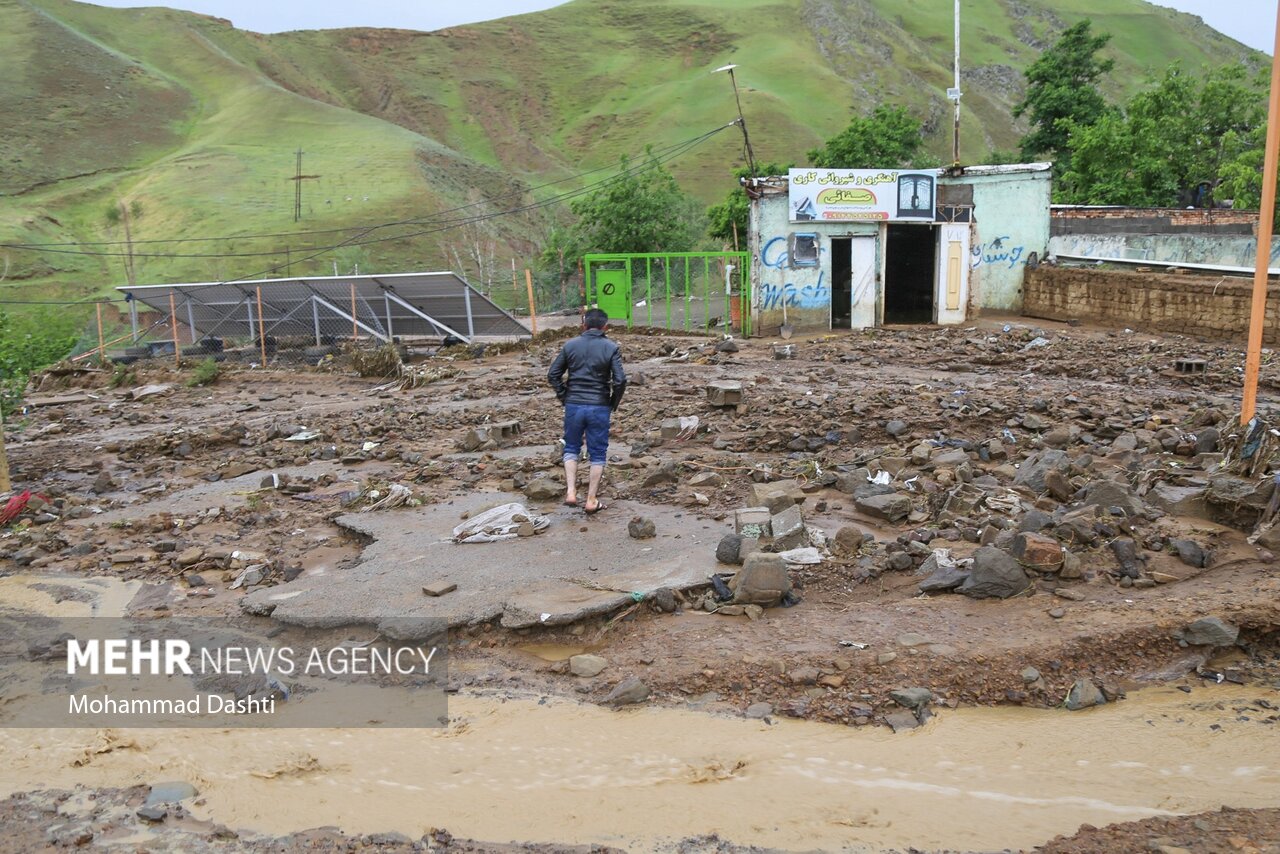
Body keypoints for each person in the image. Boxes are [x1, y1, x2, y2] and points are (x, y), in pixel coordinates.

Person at [547, 308, 626, 513]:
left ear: (583, 325)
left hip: (574, 404)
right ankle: (591, 500)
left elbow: (553, 374)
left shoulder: (570, 345)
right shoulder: (611, 347)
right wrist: (612, 402)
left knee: (571, 447)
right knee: (598, 453)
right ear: (605, 327)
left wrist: (564, 396)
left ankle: (571, 492)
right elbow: (620, 380)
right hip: (599, 405)